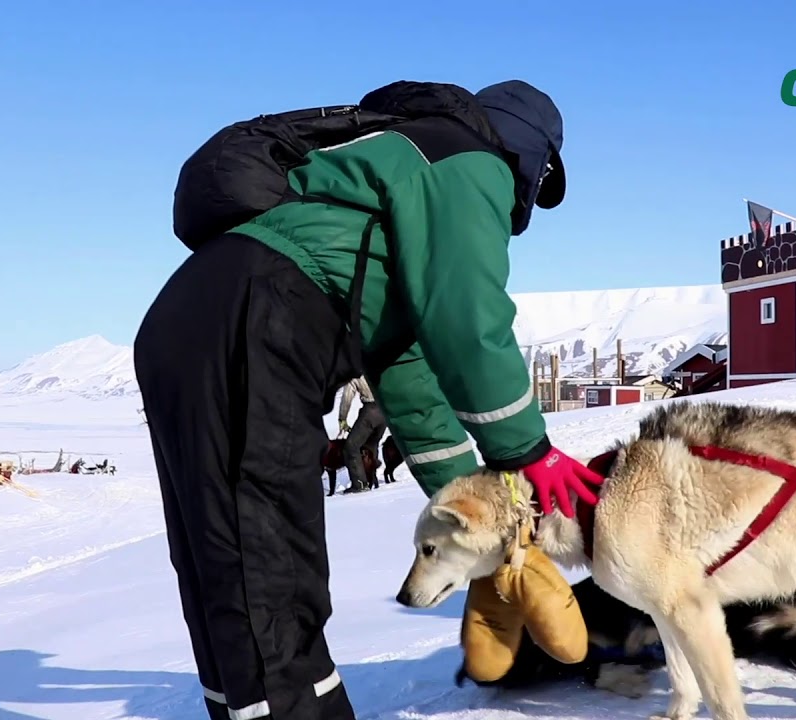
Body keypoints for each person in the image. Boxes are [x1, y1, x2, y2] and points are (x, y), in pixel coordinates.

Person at [134, 79, 605, 720]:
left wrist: (472, 504)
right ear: (535, 157)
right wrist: (530, 452)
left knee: (227, 564)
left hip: (197, 320)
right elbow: (468, 322)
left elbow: (410, 383)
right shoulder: (469, 157)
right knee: (266, 572)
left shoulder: (399, 171)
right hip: (253, 320)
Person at [337, 375, 385, 492]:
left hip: (370, 411)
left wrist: (342, 418)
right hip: (384, 411)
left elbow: (347, 395)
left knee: (350, 447)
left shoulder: (356, 370)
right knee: (371, 446)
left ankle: (359, 485)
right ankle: (372, 480)